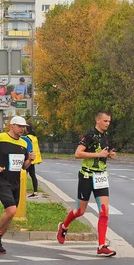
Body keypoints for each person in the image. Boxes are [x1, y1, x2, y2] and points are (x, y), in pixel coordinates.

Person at [56, 110, 117, 257]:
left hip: (101, 176)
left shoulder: (106, 137)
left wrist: (109, 155)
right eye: (105, 121)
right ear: (97, 120)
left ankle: (101, 245)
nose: (108, 123)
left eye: (109, 121)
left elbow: (103, 153)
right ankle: (63, 227)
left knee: (104, 210)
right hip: (87, 176)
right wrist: (98, 154)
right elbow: (78, 153)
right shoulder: (90, 135)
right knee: (80, 211)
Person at [0, 115, 35, 254]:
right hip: (2, 179)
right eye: (20, 126)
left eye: (24, 127)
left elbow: (23, 166)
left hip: (15, 181)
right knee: (11, 210)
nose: (22, 129)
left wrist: (29, 160)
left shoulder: (24, 143)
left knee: (11, 214)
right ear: (12, 126)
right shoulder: (0, 138)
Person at [25, 124, 42, 198]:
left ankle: (20, 191)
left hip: (29, 159)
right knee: (33, 175)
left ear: (26, 129)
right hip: (34, 159)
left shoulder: (27, 138)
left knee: (22, 175)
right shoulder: (35, 137)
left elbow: (26, 148)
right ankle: (35, 192)